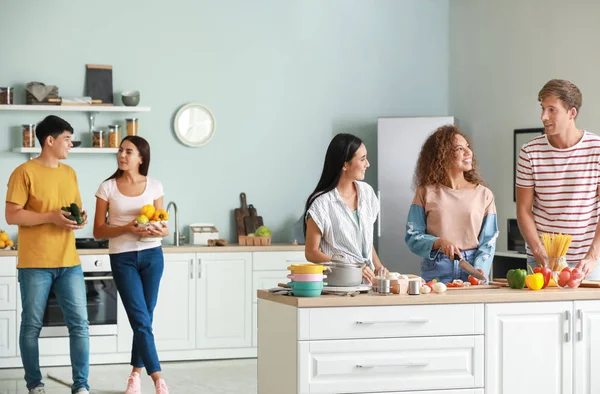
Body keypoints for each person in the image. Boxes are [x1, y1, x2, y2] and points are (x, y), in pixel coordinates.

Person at [5, 115, 90, 394]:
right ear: (49, 140)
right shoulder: (23, 172)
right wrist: (50, 217)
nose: (70, 144)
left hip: (69, 262)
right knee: (31, 326)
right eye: (67, 138)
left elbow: (71, 209)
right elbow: (11, 215)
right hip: (35, 263)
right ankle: (35, 384)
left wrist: (79, 219)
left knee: (79, 325)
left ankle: (81, 386)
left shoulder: (69, 173)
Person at [93, 136, 170, 394]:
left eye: (128, 151)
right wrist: (127, 227)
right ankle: (158, 378)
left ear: (141, 158)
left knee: (145, 319)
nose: (122, 155)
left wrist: (159, 230)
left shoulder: (155, 186)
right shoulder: (107, 187)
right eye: (120, 150)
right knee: (140, 319)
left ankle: (134, 375)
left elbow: (162, 225)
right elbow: (98, 230)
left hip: (152, 257)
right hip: (122, 257)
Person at [516, 79, 600, 279]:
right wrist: (538, 251)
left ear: (572, 113)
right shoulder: (529, 152)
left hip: (587, 262)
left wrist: (593, 256)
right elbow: (523, 210)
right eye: (543, 109)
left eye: (552, 110)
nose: (544, 116)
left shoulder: (597, 150)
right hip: (542, 259)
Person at [405, 125, 498, 283]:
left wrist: (482, 267)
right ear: (442, 155)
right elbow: (412, 237)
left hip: (473, 268)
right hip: (437, 268)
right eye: (460, 149)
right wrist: (438, 242)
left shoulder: (484, 194)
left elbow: (488, 240)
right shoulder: (425, 192)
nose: (468, 152)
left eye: (467, 147)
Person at [304, 133, 387, 283]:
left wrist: (378, 266)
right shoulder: (321, 205)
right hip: (339, 285)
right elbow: (311, 252)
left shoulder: (367, 193)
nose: (367, 164)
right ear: (344, 164)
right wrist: (350, 267)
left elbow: (365, 240)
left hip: (367, 285)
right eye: (362, 159)